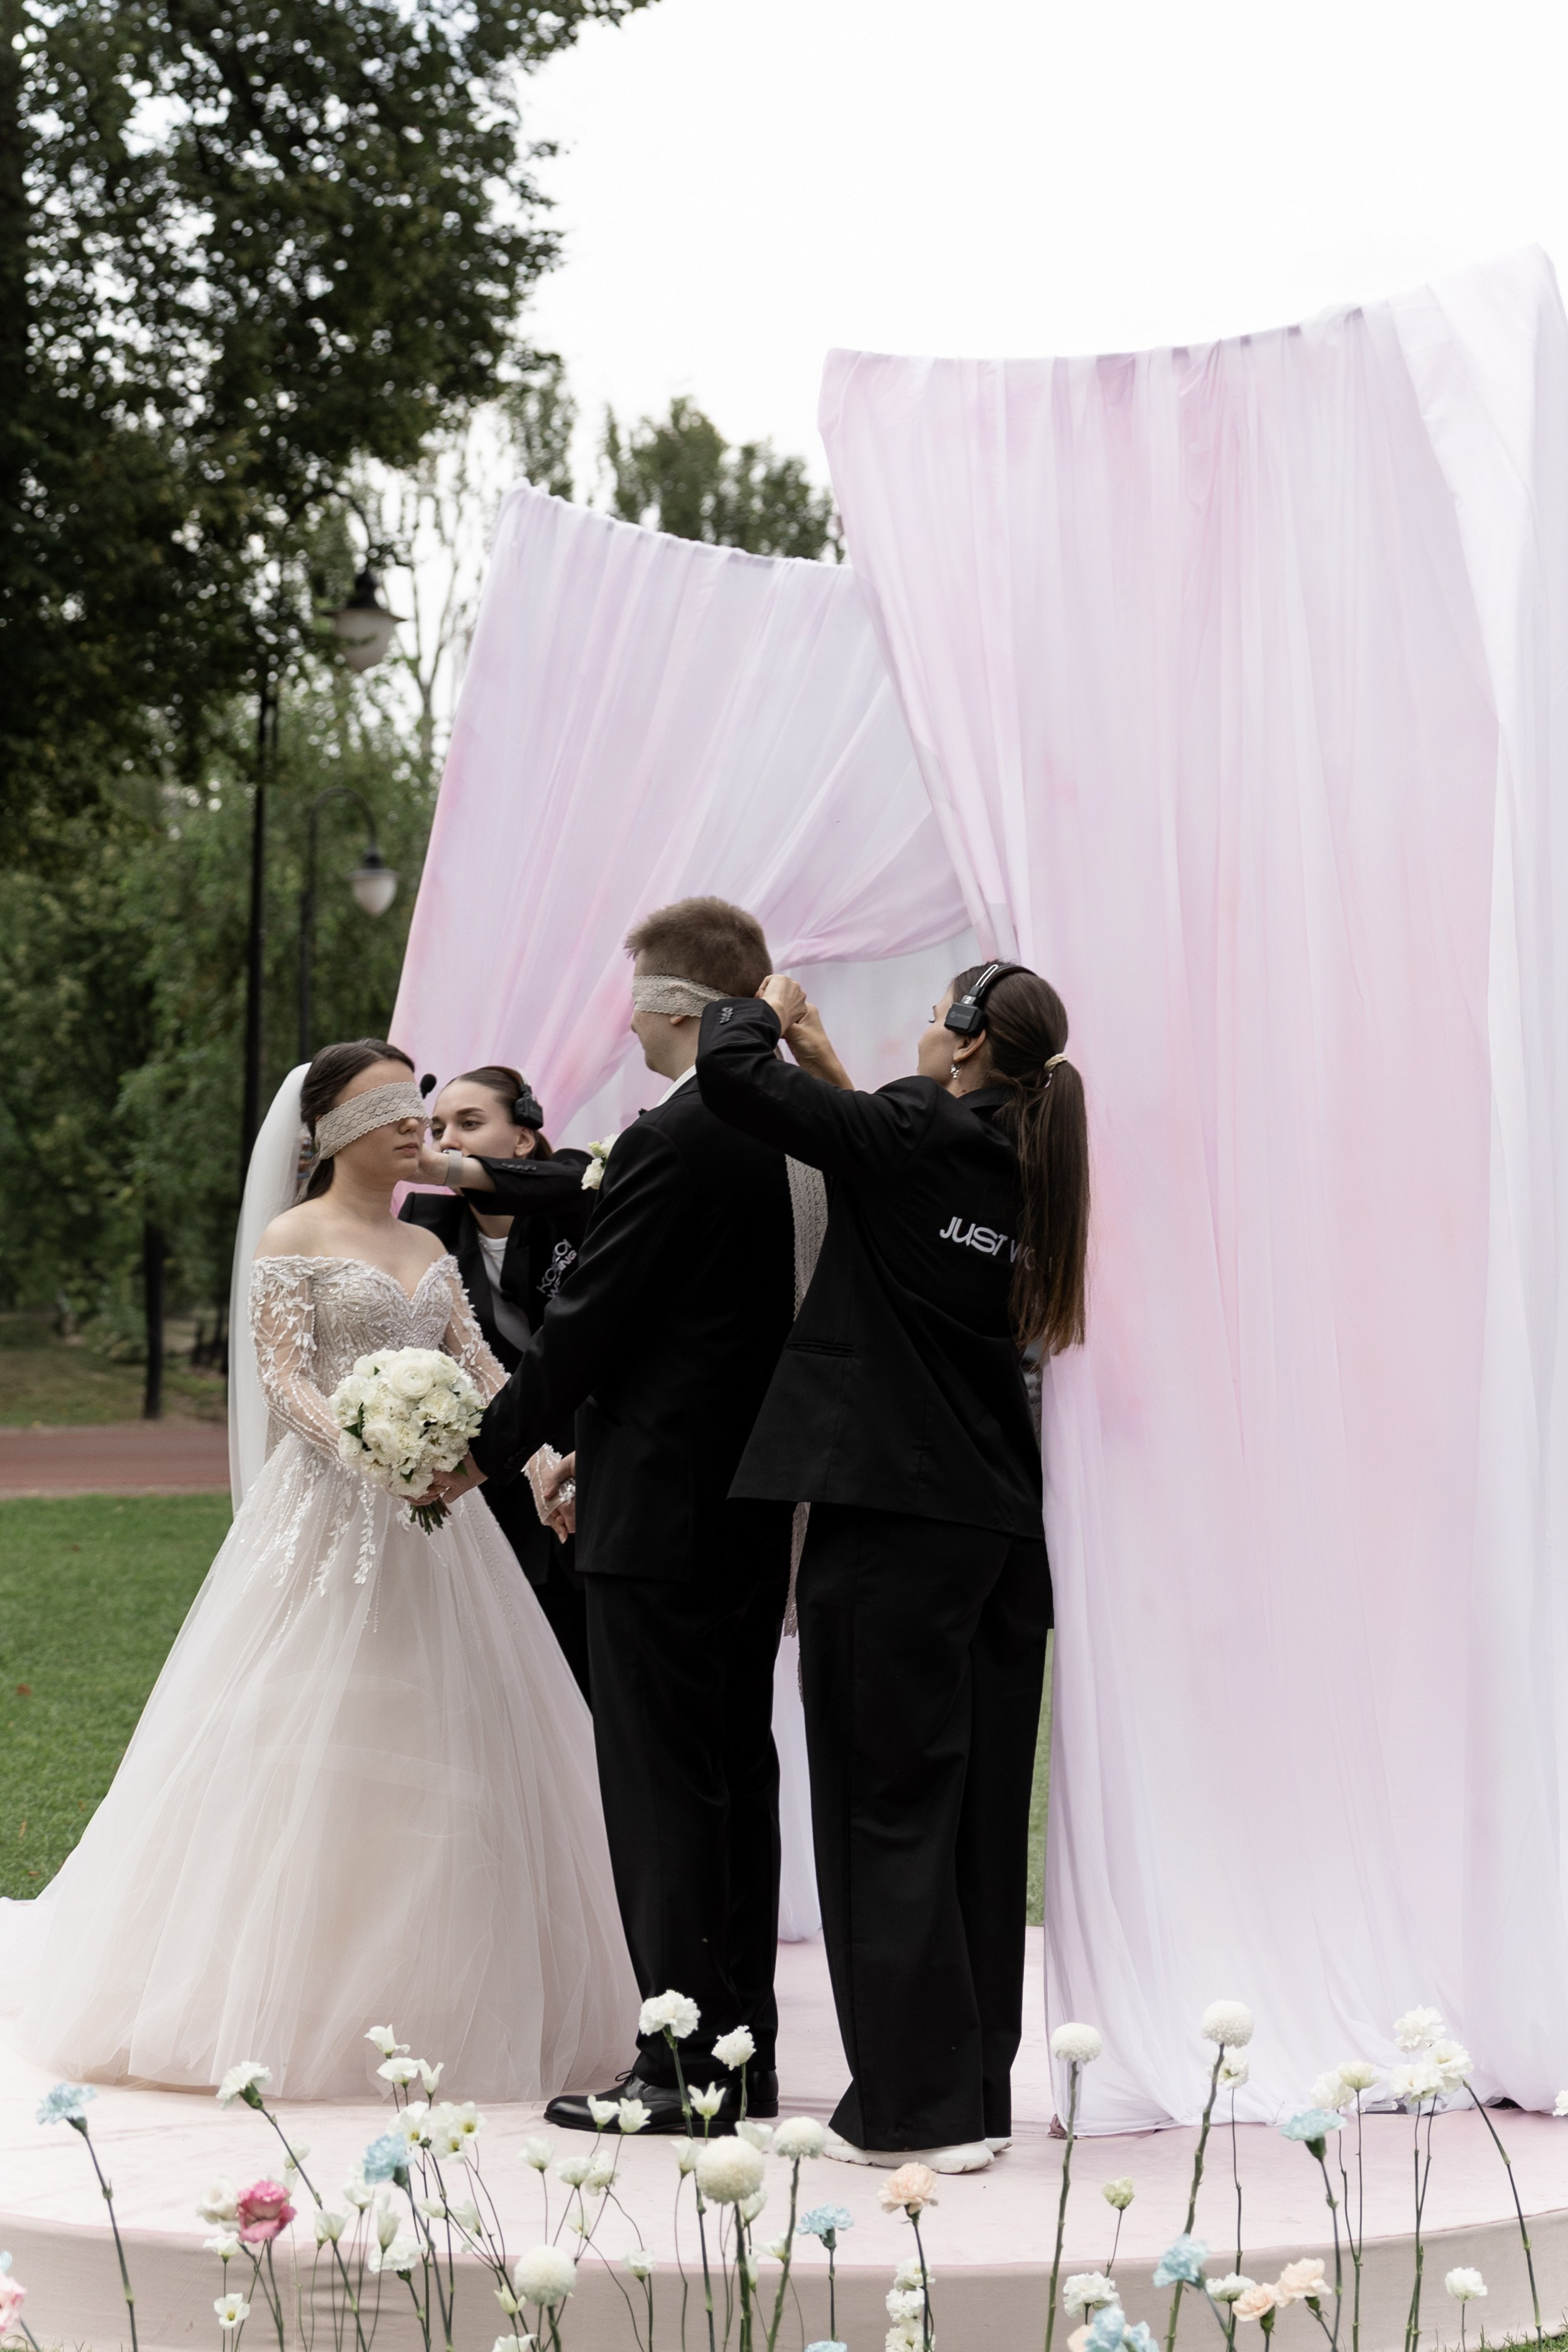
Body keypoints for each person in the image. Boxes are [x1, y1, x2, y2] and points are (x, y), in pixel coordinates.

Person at [0, 1040, 636, 2099]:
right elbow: (285, 1378)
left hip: (441, 1526)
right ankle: (274, 1991)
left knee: (452, 1740)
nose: (412, 1125)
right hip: (328, 1521)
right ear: (331, 1126)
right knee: (303, 1732)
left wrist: (536, 1461)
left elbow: (486, 1370)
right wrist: (367, 1447)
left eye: (418, 1106)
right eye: (388, 1106)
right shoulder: (292, 1236)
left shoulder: (423, 1243)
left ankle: (431, 1992)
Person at [695, 961, 1090, 2174]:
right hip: (992, 1530)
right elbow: (872, 1139)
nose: (924, 1025)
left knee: (880, 1807)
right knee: (969, 1818)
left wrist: (748, 1001)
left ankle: (908, 2113)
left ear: (967, 1044)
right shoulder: (1027, 1162)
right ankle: (968, 2095)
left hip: (893, 1514)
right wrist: (818, 1046)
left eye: (937, 1010)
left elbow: (731, 1080)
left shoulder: (924, 1129)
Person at [429, 898, 802, 2130]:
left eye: (636, 991)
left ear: (677, 1008)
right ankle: (743, 2055)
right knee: (735, 1781)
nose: (625, 1012)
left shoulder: (676, 1138)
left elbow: (588, 1331)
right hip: (747, 1507)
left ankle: (681, 2069)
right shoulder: (773, 1138)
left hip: (659, 1520)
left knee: (660, 1798)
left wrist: (485, 1452)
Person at [400, 1065, 594, 1699]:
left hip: (582, 1469)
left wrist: (444, 1167)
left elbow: (573, 1178)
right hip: (485, 1478)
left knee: (585, 1669)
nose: (447, 1140)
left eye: (470, 1123)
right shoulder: (427, 1226)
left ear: (523, 1140)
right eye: (437, 1128)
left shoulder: (577, 1196)